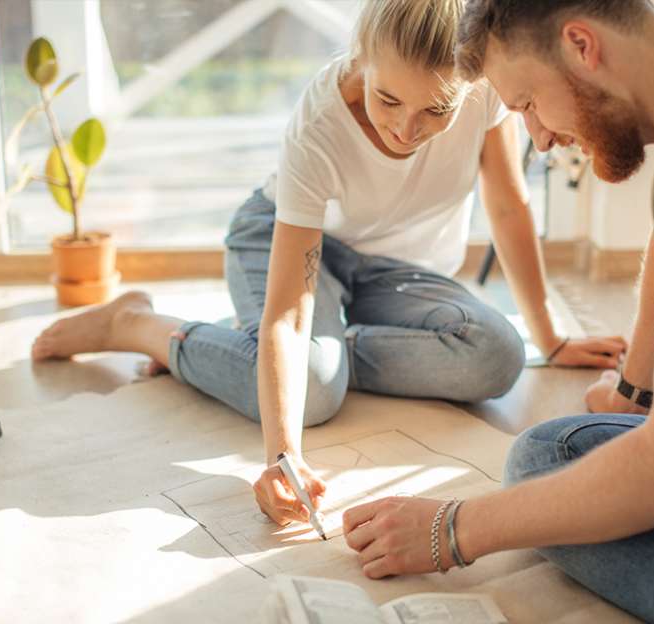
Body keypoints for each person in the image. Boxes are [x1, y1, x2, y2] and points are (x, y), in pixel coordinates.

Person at [32, 0, 624, 527]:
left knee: (499, 356)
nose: (404, 127)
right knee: (312, 392)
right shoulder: (319, 124)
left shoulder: (487, 88)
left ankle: (311, 347)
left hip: (390, 269)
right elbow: (290, 313)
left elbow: (508, 203)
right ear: (362, 59)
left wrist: (550, 334)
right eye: (388, 98)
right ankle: (136, 325)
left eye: (436, 110)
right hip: (282, 238)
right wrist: (281, 454)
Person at [343, 2, 654, 622]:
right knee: (545, 464)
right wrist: (634, 393)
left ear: (582, 45)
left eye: (528, 102)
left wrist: (451, 529)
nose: (539, 137)